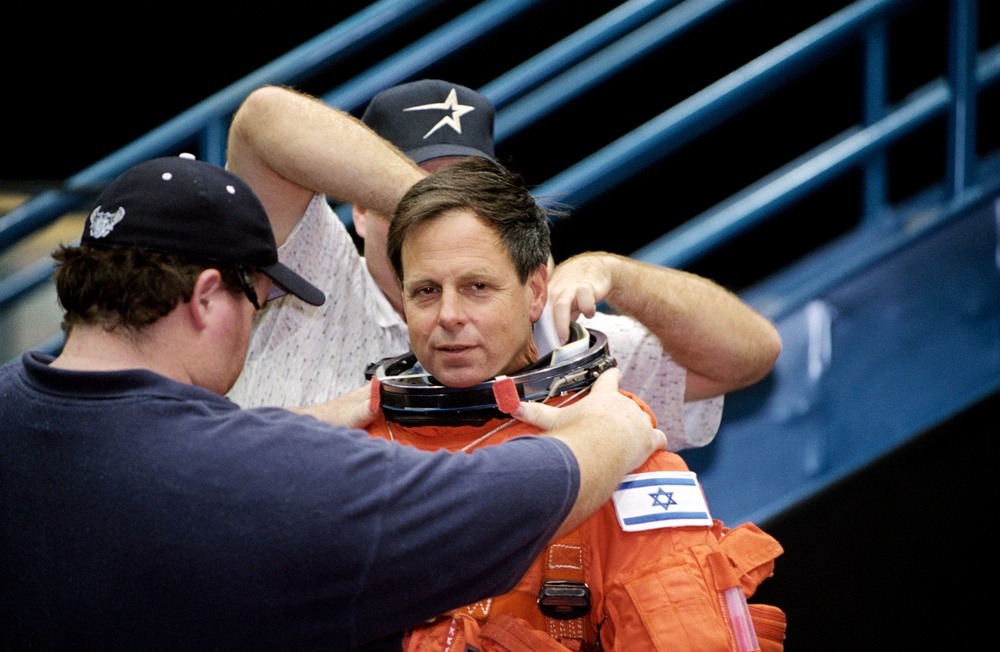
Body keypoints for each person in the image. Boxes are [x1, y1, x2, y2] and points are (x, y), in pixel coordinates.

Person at [0, 155, 668, 651]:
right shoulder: (259, 474)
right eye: (258, 301)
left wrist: (284, 431)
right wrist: (612, 429)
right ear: (207, 297)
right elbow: (484, 509)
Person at [366, 156, 786, 651]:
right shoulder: (353, 448)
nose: (449, 315)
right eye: (426, 291)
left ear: (536, 290)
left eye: (478, 287)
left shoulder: (616, 444)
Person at [224, 82, 782, 452]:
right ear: (361, 210)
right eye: (411, 202)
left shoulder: (545, 334)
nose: (449, 313)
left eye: (474, 191)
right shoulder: (308, 265)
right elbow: (262, 120)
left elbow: (749, 355)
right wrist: (452, 210)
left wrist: (615, 272)